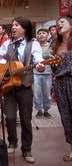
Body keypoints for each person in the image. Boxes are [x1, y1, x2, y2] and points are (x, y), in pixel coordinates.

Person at [0, 17, 45, 163]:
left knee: (26, 120)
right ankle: (12, 141)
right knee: (10, 117)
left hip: (25, 86)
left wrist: (40, 65)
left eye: (17, 25)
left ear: (24, 28)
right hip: (9, 86)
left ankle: (27, 149)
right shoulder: (8, 43)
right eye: (12, 25)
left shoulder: (33, 44)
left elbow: (39, 60)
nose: (13, 27)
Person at [51, 16, 72, 162]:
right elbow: (54, 69)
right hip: (60, 84)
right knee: (66, 119)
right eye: (57, 23)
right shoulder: (56, 45)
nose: (59, 25)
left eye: (62, 22)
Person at [34, 28, 53, 118]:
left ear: (48, 35)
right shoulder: (35, 46)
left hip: (48, 72)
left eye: (43, 33)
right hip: (35, 72)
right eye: (39, 33)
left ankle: (46, 110)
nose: (41, 35)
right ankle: (39, 110)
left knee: (47, 93)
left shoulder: (51, 46)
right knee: (37, 93)